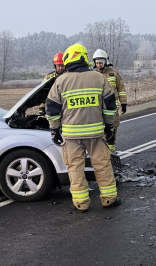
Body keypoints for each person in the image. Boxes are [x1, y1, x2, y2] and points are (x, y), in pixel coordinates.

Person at [46, 43, 121, 212]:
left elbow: (52, 110)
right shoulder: (98, 78)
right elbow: (110, 106)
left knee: (75, 168)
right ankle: (109, 199)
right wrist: (109, 127)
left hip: (71, 136)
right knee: (102, 165)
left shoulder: (61, 81)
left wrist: (54, 130)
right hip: (96, 133)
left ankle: (81, 204)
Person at [92, 49, 127, 154]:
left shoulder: (113, 73)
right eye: (97, 63)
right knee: (99, 131)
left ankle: (111, 154)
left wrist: (123, 104)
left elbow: (121, 89)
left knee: (112, 130)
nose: (98, 65)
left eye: (100, 63)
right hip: (97, 109)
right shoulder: (92, 75)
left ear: (105, 62)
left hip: (112, 109)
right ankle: (101, 153)